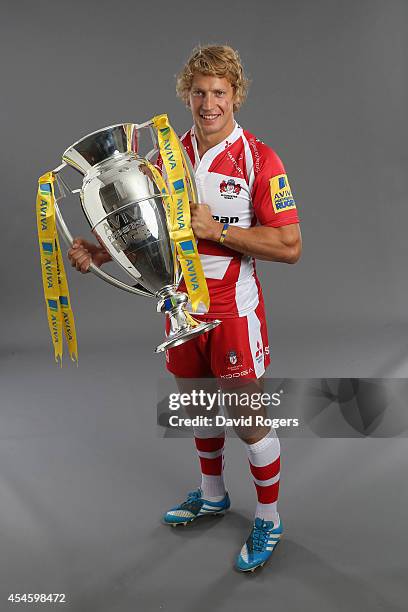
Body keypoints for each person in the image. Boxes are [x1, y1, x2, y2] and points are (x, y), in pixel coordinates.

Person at [68, 45, 302, 572]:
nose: (208, 102)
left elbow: (290, 245)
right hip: (178, 305)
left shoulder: (260, 159)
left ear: (235, 96)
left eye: (219, 92)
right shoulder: (162, 159)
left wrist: (217, 230)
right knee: (195, 403)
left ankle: (270, 516)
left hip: (232, 309)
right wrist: (97, 249)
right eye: (199, 92)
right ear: (186, 95)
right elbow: (143, 231)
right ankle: (213, 493)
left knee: (248, 417)